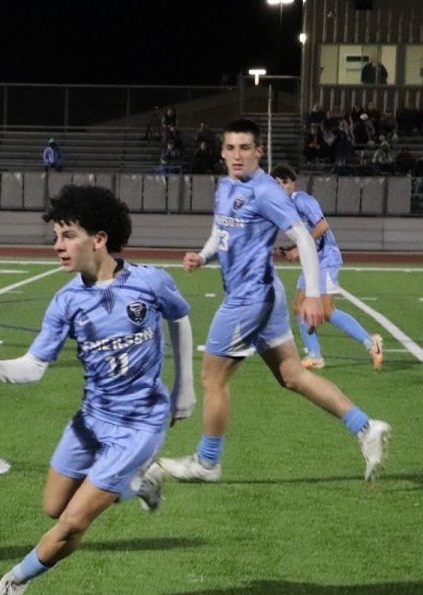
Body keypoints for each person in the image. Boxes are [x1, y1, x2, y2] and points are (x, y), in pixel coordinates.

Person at [0, 185, 195, 595]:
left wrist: (185, 388)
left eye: (67, 235)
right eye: (56, 236)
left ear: (99, 238)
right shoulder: (66, 300)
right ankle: (141, 483)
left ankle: (13, 581)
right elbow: (35, 366)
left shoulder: (150, 282)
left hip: (140, 425)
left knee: (75, 521)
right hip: (90, 421)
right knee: (55, 508)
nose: (58, 246)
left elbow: (180, 317)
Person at [154, 119, 390, 486]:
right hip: (265, 296)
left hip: (250, 298)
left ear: (258, 151)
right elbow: (222, 233)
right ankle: (366, 427)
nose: (236, 155)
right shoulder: (226, 186)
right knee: (293, 376)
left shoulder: (266, 191)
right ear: (221, 151)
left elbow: (304, 238)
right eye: (230, 148)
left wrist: (313, 294)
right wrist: (203, 256)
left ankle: (207, 461)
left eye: (244, 148)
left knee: (211, 378)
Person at [269, 164, 384, 371]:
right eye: (276, 184)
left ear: (291, 184)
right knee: (299, 306)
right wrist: (293, 247)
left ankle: (370, 342)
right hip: (313, 260)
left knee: (328, 311)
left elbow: (322, 226)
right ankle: (314, 356)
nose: (280, 188)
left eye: (283, 183)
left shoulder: (303, 200)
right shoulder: (282, 208)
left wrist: (300, 247)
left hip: (326, 258)